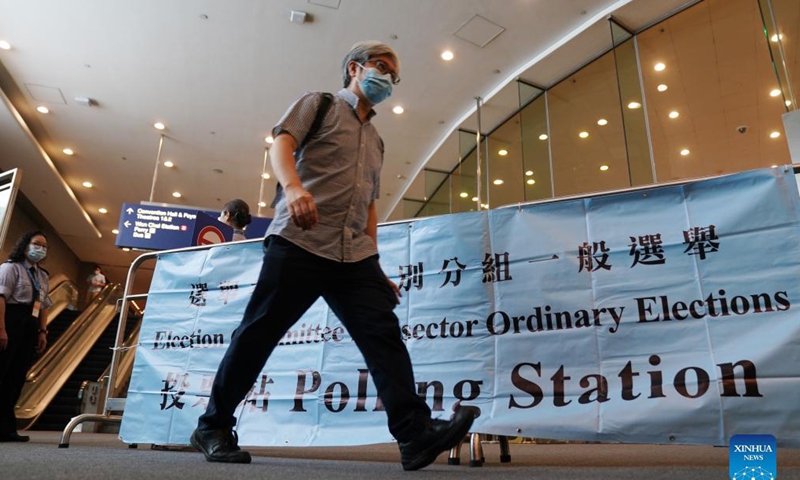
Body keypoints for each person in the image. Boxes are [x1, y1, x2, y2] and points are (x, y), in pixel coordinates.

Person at [190, 41, 475, 470]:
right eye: (381, 67)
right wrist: (294, 188)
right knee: (257, 334)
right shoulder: (318, 105)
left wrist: (376, 264)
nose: (388, 79)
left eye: (393, 75)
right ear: (355, 68)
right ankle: (212, 426)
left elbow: (370, 206)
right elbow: (280, 144)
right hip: (300, 241)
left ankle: (414, 434)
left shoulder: (376, 141)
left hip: (354, 255)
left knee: (383, 334)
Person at [0, 231, 52, 442]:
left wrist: (42, 331)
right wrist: (1, 329)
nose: (40, 249)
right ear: (25, 245)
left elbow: (42, 305)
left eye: (44, 246)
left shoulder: (43, 275)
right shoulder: (10, 268)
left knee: (16, 379)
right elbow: (1, 298)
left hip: (30, 325)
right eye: (36, 244)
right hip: (10, 320)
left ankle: (6, 428)